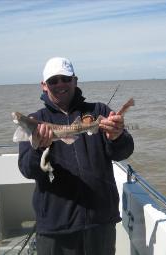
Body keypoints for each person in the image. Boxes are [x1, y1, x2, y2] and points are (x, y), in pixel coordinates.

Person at [18, 57, 134, 255]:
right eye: (54, 80)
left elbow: (123, 152)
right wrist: (38, 147)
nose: (60, 84)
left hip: (101, 221)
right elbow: (27, 169)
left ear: (75, 80)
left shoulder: (99, 111)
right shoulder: (35, 122)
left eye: (65, 78)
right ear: (44, 86)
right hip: (56, 227)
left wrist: (117, 136)